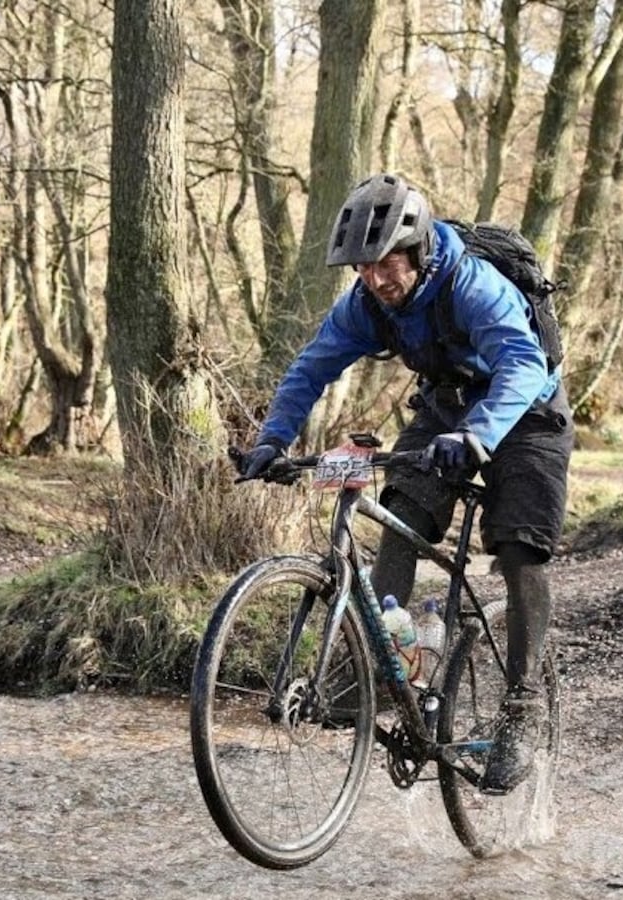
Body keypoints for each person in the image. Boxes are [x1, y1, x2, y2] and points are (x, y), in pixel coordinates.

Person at [239, 172, 573, 794]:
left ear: (419, 250)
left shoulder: (472, 284)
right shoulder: (368, 304)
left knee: (520, 548)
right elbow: (312, 367)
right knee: (399, 522)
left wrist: (478, 437)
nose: (375, 280)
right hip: (445, 409)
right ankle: (380, 673)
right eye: (362, 270)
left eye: (385, 265)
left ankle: (522, 707)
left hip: (526, 412)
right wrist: (272, 439)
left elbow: (523, 364)